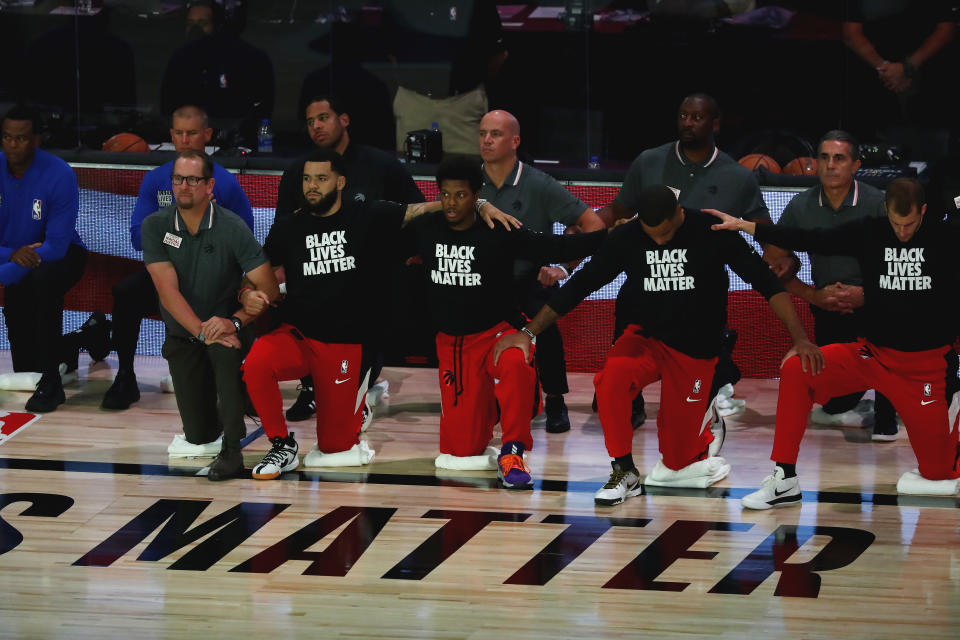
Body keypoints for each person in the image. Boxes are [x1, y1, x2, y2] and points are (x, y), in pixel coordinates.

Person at [494, 184, 822, 506]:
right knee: (611, 380)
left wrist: (801, 338)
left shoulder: (712, 231)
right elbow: (580, 285)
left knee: (678, 463)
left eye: (665, 233)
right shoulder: (627, 236)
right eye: (652, 235)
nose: (659, 240)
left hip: (696, 345)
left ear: (679, 213)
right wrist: (528, 332)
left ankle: (707, 422)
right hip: (645, 338)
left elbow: (766, 283)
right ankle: (624, 472)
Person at [240, 149, 515, 480]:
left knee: (335, 449)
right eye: (307, 179)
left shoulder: (366, 214)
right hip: (298, 335)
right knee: (257, 361)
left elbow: (423, 208)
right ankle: (281, 444)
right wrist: (247, 293)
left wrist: (481, 204)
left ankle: (357, 405)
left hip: (347, 345)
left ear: (340, 182)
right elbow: (257, 270)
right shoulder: (289, 225)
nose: (312, 186)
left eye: (321, 179)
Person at [710, 178, 960, 507]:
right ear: (886, 211)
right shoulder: (870, 231)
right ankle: (784, 478)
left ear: (924, 212)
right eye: (897, 223)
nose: (902, 232)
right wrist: (744, 226)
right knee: (797, 369)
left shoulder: (946, 238)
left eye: (910, 223)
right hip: (873, 355)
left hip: (925, 370)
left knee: (939, 475)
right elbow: (808, 238)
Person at [403, 157, 606, 487]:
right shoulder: (425, 228)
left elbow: (556, 246)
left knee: (515, 365)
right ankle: (494, 412)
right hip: (453, 344)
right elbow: (381, 222)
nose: (452, 204)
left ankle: (514, 449)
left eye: (462, 195)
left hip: (498, 332)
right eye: (445, 195)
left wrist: (615, 237)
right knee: (462, 452)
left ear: (476, 194)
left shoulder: (499, 229)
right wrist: (443, 207)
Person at [596, 93, 771, 425]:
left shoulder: (738, 176)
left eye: (697, 117)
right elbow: (617, 211)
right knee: (627, 347)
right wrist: (587, 228)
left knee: (693, 380)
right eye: (683, 116)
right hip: (645, 279)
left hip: (703, 289)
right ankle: (628, 404)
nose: (688, 123)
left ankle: (713, 383)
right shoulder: (649, 162)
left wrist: (780, 256)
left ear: (715, 123)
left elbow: (761, 226)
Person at [275, 96, 425, 424]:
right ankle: (312, 388)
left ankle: (359, 386)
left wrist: (412, 253)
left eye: (324, 117)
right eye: (310, 120)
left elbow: (416, 210)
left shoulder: (382, 165)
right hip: (318, 267)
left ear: (344, 120)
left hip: (376, 272)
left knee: (372, 303)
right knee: (301, 307)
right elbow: (283, 229)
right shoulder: (298, 173)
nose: (316, 125)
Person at [99, 104, 254, 420]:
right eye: (179, 133)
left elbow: (245, 241)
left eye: (192, 133)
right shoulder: (156, 180)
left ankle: (242, 381)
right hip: (168, 273)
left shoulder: (224, 183)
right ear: (170, 136)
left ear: (207, 135)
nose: (185, 140)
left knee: (244, 300)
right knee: (125, 293)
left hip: (216, 278)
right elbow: (137, 236)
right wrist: (174, 237)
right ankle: (126, 376)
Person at [141, 150, 278, 481]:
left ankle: (232, 451)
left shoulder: (232, 227)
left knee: (225, 350)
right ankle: (239, 399)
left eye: (193, 179)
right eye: (178, 179)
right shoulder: (155, 226)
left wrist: (239, 314)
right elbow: (167, 291)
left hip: (227, 329)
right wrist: (204, 331)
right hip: (185, 335)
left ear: (210, 185)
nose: (184, 186)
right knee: (199, 434)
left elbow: (269, 287)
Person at [477, 109, 607, 434]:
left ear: (515, 141)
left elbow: (593, 225)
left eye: (495, 134)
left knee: (545, 325)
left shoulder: (539, 184)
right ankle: (484, 397)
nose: (487, 140)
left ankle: (555, 399)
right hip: (481, 283)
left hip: (530, 282)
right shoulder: (470, 182)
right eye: (482, 134)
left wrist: (563, 267)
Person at [763, 130, 898, 440]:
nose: (830, 165)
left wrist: (868, 295)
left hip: (877, 304)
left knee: (887, 348)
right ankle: (853, 399)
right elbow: (770, 264)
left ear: (855, 165)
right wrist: (814, 295)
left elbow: (901, 266)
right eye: (824, 158)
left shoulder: (879, 203)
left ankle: (886, 415)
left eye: (839, 158)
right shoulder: (800, 205)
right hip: (827, 309)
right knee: (833, 402)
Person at [0, 105, 90, 412]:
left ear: (36, 140)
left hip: (60, 257)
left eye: (21, 138)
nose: (13, 145)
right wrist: (12, 256)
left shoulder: (59, 174)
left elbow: (57, 246)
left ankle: (53, 386)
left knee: (40, 283)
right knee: (28, 367)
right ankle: (80, 339)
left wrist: (8, 272)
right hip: (14, 256)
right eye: (7, 137)